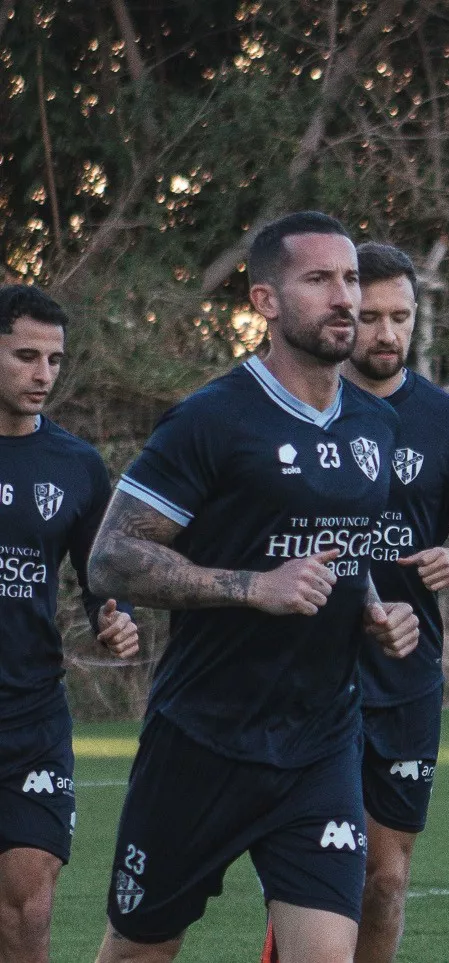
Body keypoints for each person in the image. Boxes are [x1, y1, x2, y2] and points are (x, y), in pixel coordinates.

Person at [85, 211, 420, 963]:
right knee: (141, 947)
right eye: (320, 280)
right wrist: (252, 586)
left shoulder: (375, 424)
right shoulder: (211, 420)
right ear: (265, 301)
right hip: (202, 739)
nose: (347, 299)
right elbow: (111, 558)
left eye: (352, 279)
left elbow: (342, 550)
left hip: (320, 743)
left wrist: (374, 608)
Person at [260, 243, 449, 963]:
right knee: (322, 869)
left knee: (386, 876)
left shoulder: (446, 421)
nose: (385, 332)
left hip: (405, 676)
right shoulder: (300, 415)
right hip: (309, 672)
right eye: (370, 316)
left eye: (400, 316)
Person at [0, 285, 139, 963]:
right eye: (26, 355)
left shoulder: (77, 466)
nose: (42, 374)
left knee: (30, 905)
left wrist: (117, 619)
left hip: (30, 712)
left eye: (53, 359)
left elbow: (102, 578)